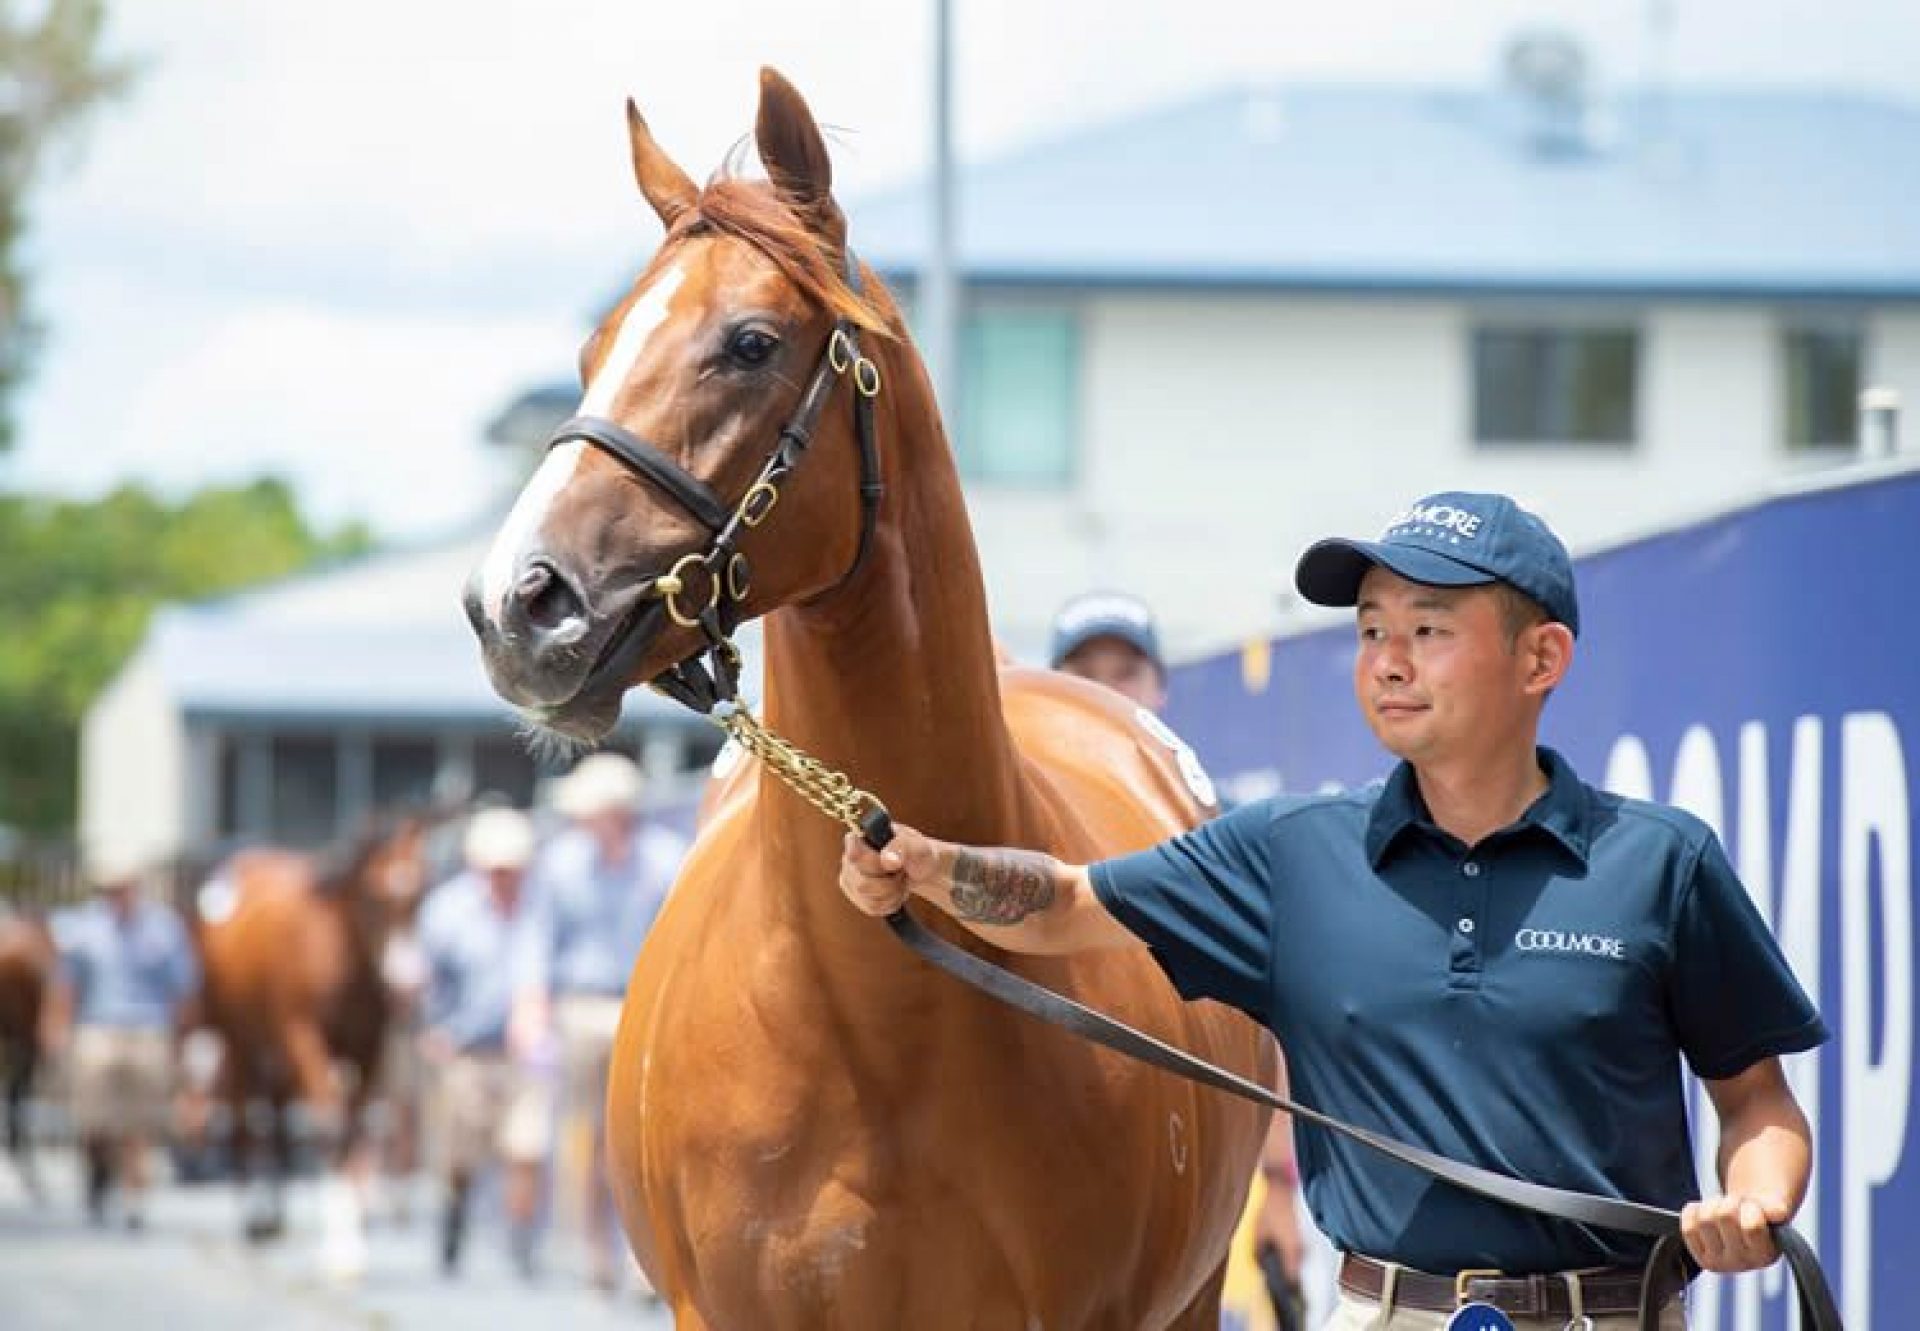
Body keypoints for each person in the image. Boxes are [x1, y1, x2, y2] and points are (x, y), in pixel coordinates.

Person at [846, 492, 1826, 1330]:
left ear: (1542, 658)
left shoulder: (1663, 859)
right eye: (1370, 629)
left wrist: (1755, 1199)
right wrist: (929, 867)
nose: (1387, 660)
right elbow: (1062, 904)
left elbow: (1758, 1101)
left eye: (1429, 629)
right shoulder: (1288, 851)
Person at [1050, 589, 1315, 1331]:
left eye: (1125, 669)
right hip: (1059, 1148)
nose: (1106, 688)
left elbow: (1267, 1015)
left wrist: (1280, 1187)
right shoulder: (1024, 832)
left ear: (1159, 687)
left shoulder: (1215, 826)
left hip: (1198, 1156)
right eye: (1083, 669)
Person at [510, 752, 688, 1293]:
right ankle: (596, 1249)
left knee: (645, 1135)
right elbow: (537, 938)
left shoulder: (666, 860)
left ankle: (643, 1256)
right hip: (582, 1007)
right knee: (588, 1135)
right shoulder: (562, 862)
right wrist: (531, 1006)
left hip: (646, 1006)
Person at [418, 806, 548, 1277]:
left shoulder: (539, 905)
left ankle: (521, 1240)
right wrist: (435, 1029)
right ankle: (455, 1212)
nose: (507, 877)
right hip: (467, 1050)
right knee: (461, 1153)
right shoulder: (447, 911)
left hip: (524, 1051)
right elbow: (432, 980)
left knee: (527, 1147)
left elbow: (544, 971)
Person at [44, 845, 199, 1231]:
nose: (115, 896)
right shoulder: (85, 928)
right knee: (94, 1119)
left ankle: (134, 1195)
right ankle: (98, 1171)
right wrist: (56, 1026)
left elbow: (183, 988)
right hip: (98, 1028)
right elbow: (66, 983)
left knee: (140, 1123)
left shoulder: (163, 928)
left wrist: (184, 1042)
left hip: (148, 1029)